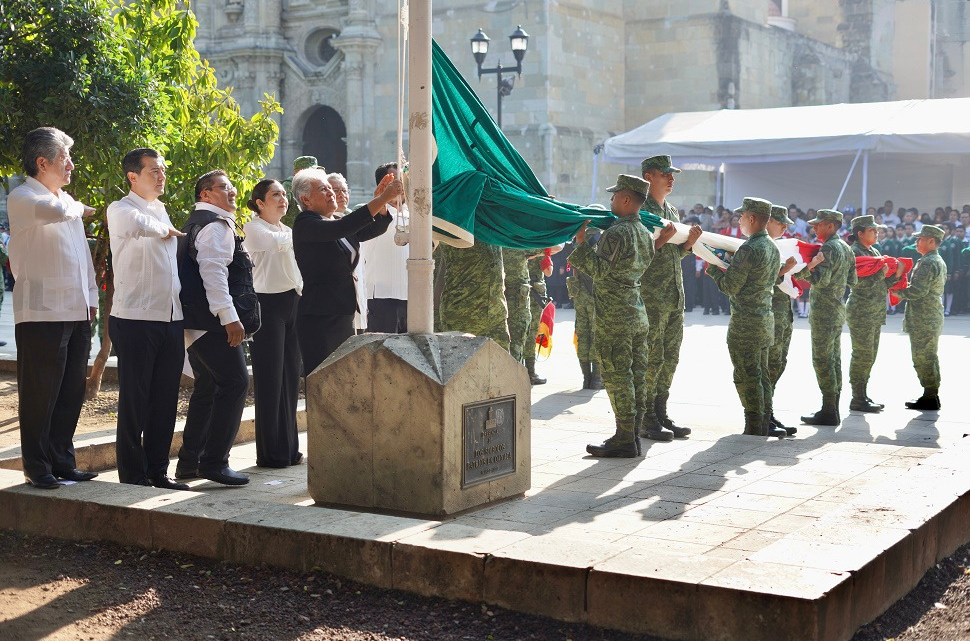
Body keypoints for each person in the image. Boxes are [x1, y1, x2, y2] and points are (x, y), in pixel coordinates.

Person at [7, 126, 100, 489]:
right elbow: (56, 211)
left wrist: (91, 299)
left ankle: (63, 461)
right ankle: (37, 465)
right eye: (65, 158)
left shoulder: (65, 200)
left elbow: (81, 260)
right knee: (40, 391)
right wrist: (78, 207)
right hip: (42, 312)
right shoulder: (24, 196)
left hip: (76, 310)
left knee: (70, 391)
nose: (71, 165)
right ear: (42, 162)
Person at [106, 148, 188, 490]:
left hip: (170, 316)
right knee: (135, 401)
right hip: (135, 317)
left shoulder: (161, 208)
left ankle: (158, 470)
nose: (162, 175)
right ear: (133, 177)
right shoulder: (121, 209)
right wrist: (167, 231)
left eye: (163, 169)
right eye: (154, 170)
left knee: (165, 400)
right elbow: (142, 227)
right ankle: (133, 475)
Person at [175, 170, 258, 486]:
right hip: (212, 324)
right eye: (224, 188)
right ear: (205, 195)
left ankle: (190, 462)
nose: (233, 192)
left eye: (232, 187)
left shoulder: (197, 222)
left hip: (197, 323)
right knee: (236, 383)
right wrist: (230, 318)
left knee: (209, 388)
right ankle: (214, 462)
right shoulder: (214, 226)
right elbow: (214, 275)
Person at [569, 175, 655, 456]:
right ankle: (633, 434)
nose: (611, 200)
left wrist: (581, 243)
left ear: (627, 199)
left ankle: (624, 438)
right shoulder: (644, 232)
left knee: (617, 376)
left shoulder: (617, 233)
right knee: (637, 375)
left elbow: (600, 270)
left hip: (614, 315)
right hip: (636, 310)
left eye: (615, 195)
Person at [292, 167, 403, 376]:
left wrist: (381, 201)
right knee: (325, 379)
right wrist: (383, 198)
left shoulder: (336, 221)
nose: (331, 193)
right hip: (320, 316)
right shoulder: (306, 223)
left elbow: (373, 229)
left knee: (344, 378)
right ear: (306, 200)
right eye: (324, 189)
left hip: (343, 311)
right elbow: (342, 228)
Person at [706, 198, 785, 437]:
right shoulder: (771, 246)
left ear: (752, 219)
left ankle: (754, 425)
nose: (739, 221)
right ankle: (763, 419)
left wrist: (712, 267)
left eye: (741, 217)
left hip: (746, 322)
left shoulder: (749, 248)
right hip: (764, 318)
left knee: (747, 375)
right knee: (760, 374)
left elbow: (730, 286)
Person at [638, 155, 702, 441]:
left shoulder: (672, 211)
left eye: (672, 174)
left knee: (669, 357)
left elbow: (674, 254)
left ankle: (660, 411)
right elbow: (636, 253)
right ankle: (645, 417)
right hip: (651, 296)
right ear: (649, 176)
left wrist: (688, 244)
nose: (671, 179)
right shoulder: (640, 210)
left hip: (674, 296)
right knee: (651, 358)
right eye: (666, 174)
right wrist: (662, 240)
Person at [242, 179, 303, 468]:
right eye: (274, 195)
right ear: (260, 203)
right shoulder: (253, 228)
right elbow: (273, 245)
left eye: (283, 194)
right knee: (270, 379)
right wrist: (304, 234)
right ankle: (271, 453)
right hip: (266, 306)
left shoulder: (288, 230)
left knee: (291, 377)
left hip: (291, 303)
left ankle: (290, 448)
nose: (282, 199)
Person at [797, 209, 858, 426]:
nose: (814, 228)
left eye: (818, 224)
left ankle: (828, 410)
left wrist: (805, 269)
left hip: (824, 311)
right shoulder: (845, 248)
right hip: (837, 308)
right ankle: (832, 408)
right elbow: (853, 279)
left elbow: (821, 280)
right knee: (834, 359)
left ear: (830, 226)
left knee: (823, 360)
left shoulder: (829, 247)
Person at [845, 215, 905, 413]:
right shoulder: (853, 253)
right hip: (861, 310)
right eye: (872, 230)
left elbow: (880, 283)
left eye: (877, 230)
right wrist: (882, 272)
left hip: (874, 310)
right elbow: (855, 281)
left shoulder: (875, 252)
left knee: (870, 355)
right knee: (862, 354)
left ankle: (863, 395)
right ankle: (857, 397)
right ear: (860, 233)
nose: (876, 232)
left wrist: (895, 275)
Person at [896, 225, 947, 410]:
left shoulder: (928, 262)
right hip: (928, 315)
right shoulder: (933, 260)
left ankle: (930, 396)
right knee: (928, 356)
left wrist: (897, 291)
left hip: (924, 318)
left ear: (931, 241)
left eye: (920, 239)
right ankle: (930, 394)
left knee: (923, 357)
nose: (916, 242)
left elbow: (917, 291)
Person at [436, 241, 511, 350]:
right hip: (464, 317)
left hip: (496, 317)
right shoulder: (456, 226)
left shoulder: (493, 227)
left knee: (501, 365)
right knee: (463, 365)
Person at [363, 163, 409, 333]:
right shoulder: (371, 214)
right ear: (382, 186)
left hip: (412, 297)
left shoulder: (418, 214)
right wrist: (380, 201)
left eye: (403, 181)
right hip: (382, 297)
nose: (400, 186)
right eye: (394, 181)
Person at [765, 205, 798, 435]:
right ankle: (762, 416)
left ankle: (769, 413)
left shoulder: (778, 246)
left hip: (783, 314)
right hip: (767, 316)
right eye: (780, 222)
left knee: (778, 364)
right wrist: (783, 270)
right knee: (767, 366)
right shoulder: (759, 247)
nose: (785, 227)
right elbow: (761, 279)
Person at [327, 173, 368, 332]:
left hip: (356, 299)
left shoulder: (353, 223)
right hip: (335, 306)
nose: (341, 195)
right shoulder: (322, 224)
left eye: (345, 190)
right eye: (336, 190)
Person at [566, 229, 603, 390]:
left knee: (583, 335)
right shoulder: (601, 243)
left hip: (580, 295)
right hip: (596, 296)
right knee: (598, 335)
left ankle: (586, 378)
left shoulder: (578, 242)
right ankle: (597, 379)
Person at [525, 250, 554, 384]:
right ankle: (530, 372)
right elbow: (548, 272)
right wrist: (544, 254)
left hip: (518, 293)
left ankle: (515, 368)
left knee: (517, 333)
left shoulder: (514, 242)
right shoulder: (541, 248)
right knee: (531, 333)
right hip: (535, 294)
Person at [503, 247, 532, 363]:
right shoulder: (521, 244)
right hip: (517, 303)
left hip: (498, 301)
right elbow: (557, 247)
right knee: (517, 343)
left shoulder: (494, 244)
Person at [281, 156, 321, 227]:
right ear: (297, 172)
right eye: (309, 171)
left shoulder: (314, 186)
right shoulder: (289, 185)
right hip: (292, 233)